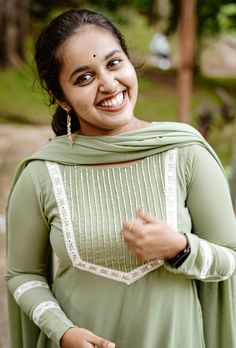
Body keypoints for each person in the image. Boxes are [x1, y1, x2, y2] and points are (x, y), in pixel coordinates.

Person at [5, 8, 236, 348]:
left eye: (114, 63)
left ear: (130, 62)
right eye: (84, 78)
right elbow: (22, 275)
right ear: (62, 98)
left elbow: (229, 260)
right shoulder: (42, 173)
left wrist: (180, 248)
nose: (109, 84)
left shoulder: (185, 153)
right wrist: (62, 331)